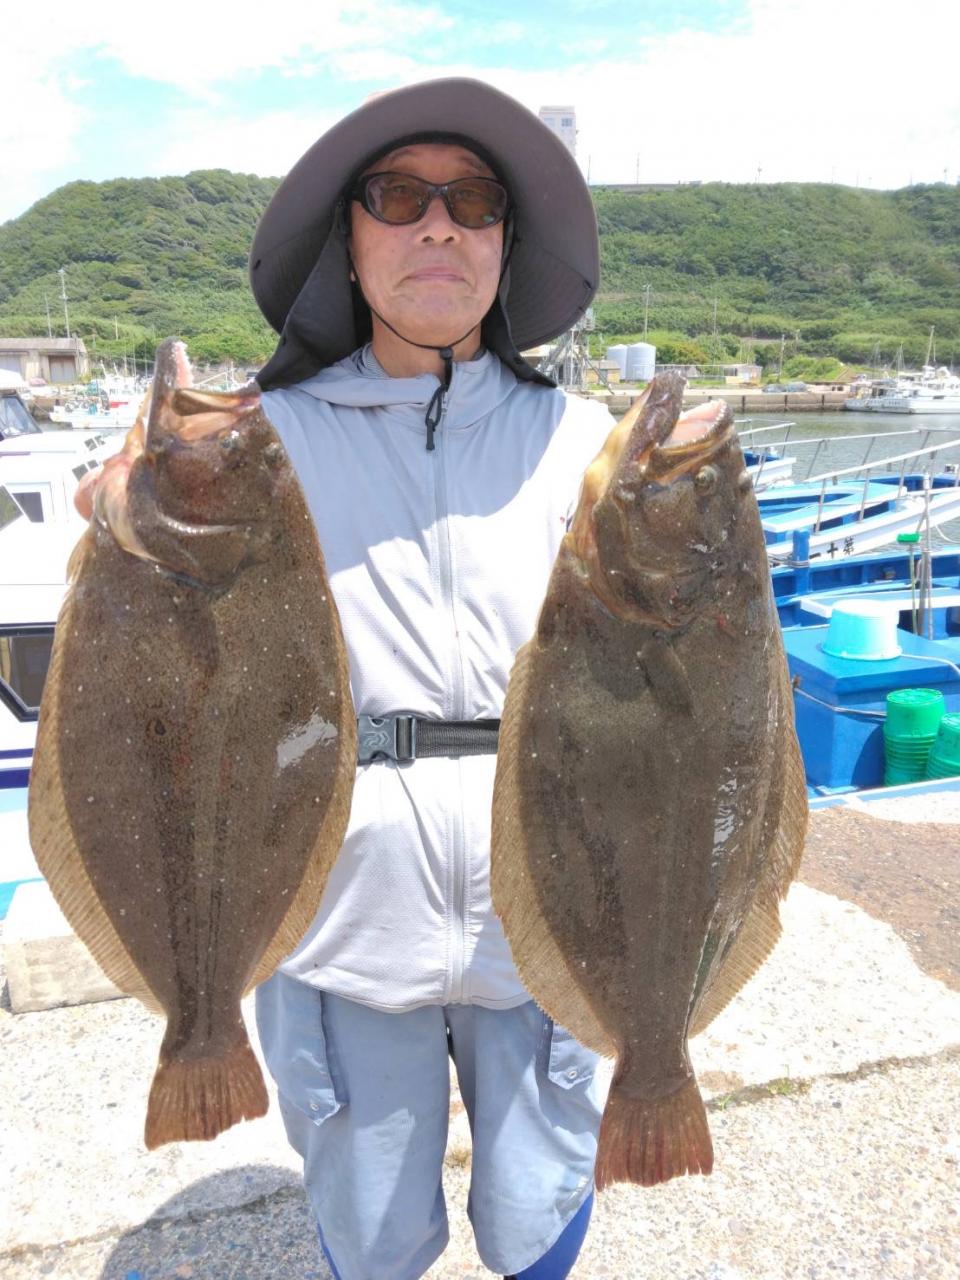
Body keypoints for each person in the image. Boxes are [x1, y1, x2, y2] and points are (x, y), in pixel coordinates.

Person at [259, 77, 622, 1279]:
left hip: (548, 904)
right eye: (398, 196)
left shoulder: (589, 446)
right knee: (370, 1234)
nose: (437, 226)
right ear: (348, 238)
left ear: (506, 242)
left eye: (473, 202)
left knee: (540, 1213)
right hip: (342, 910)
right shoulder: (260, 442)